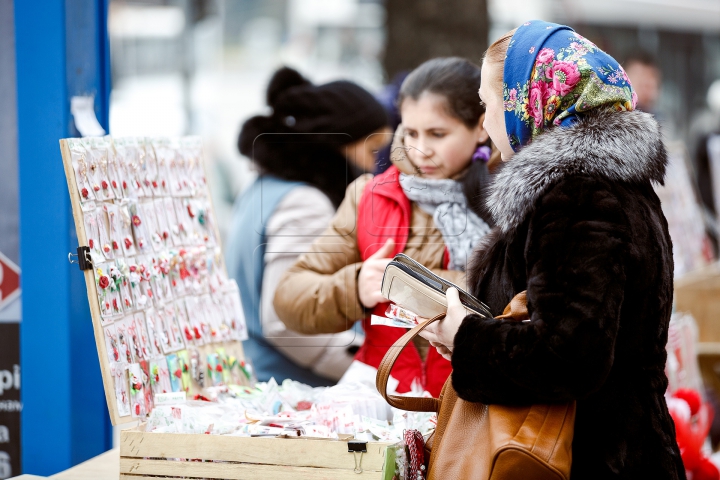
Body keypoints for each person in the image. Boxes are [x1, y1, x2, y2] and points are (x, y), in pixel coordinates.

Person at [420, 21, 685, 479]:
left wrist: (469, 340)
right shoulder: (611, 185)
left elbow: (569, 355)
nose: (484, 124)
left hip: (590, 459)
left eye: (488, 104)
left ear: (530, 98)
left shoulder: (579, 195)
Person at [274, 58, 495, 397]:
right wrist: (356, 286)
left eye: (437, 134)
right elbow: (289, 297)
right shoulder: (370, 195)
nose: (421, 149)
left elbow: (527, 310)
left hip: (472, 401)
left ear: (480, 127)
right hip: (382, 398)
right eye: (411, 133)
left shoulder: (511, 196)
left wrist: (417, 287)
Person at [225, 66, 391, 386]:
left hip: (262, 381)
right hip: (292, 394)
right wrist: (370, 372)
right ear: (337, 142)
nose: (373, 164)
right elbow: (285, 321)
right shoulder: (304, 202)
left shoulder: (262, 187)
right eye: (371, 149)